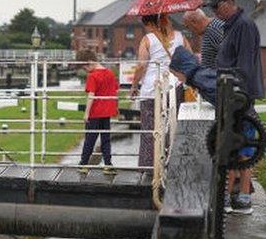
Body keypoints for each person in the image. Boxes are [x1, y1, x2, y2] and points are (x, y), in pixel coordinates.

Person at [209, 0, 265, 214]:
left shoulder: (244, 25)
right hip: (230, 92)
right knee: (232, 145)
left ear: (229, 2)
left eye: (216, 7)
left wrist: (238, 96)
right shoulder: (232, 26)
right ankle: (231, 194)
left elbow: (244, 65)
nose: (214, 12)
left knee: (241, 146)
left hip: (238, 96)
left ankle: (242, 197)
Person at [130, 13, 186, 167]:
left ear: (148, 23)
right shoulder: (180, 37)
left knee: (149, 129)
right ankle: (171, 164)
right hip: (175, 87)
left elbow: (142, 65)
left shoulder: (148, 39)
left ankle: (149, 166)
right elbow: (190, 59)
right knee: (172, 128)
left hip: (152, 89)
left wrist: (134, 85)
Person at [77, 49, 119, 167]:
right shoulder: (110, 73)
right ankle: (108, 164)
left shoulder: (92, 76)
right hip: (106, 113)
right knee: (106, 139)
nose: (85, 70)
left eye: (85, 67)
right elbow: (115, 90)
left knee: (90, 139)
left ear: (89, 62)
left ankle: (83, 163)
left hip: (95, 113)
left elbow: (91, 95)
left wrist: (86, 113)